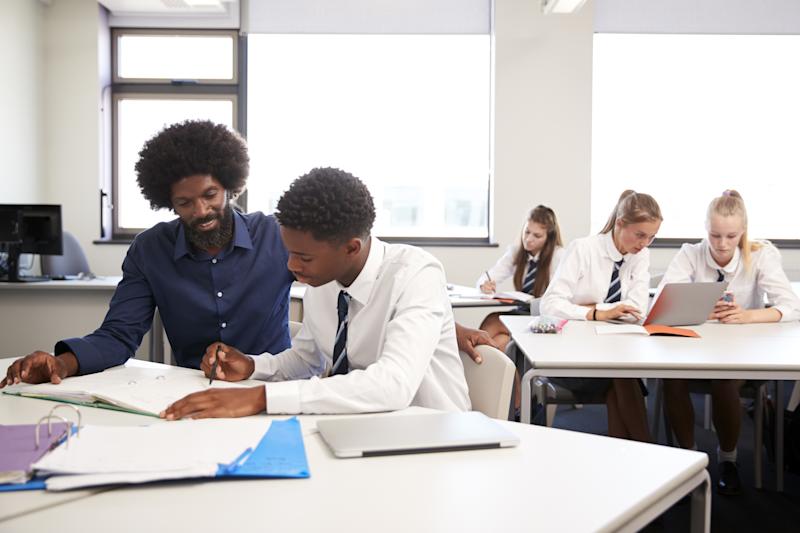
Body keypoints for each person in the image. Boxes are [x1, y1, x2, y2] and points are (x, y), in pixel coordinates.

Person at [1, 120, 296, 387]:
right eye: (184, 202)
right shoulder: (150, 249)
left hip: (275, 389)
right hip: (194, 393)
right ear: (168, 202)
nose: (201, 211)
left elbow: (333, 287)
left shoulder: (277, 236)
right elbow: (119, 335)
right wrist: (61, 364)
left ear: (230, 187)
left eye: (210, 195)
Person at [162, 167, 471, 419]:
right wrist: (254, 367)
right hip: (363, 431)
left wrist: (262, 396)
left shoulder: (416, 274)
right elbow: (306, 360)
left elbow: (392, 385)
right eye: (290, 252)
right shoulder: (324, 283)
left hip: (432, 437)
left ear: (351, 248)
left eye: (304, 257)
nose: (292, 266)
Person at [660, 189, 800, 495]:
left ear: (744, 232)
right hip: (694, 349)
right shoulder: (690, 254)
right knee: (671, 379)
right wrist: (701, 310)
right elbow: (661, 304)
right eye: (715, 235)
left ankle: (728, 461)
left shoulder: (762, 254)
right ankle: (690, 460)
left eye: (731, 236)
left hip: (739, 351)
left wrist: (749, 316)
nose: (722, 245)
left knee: (724, 380)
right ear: (705, 229)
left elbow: (791, 307)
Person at [540, 190, 662, 442]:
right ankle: (647, 452)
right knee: (622, 377)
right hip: (573, 355)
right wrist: (596, 312)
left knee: (620, 376)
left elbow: (637, 308)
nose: (644, 244)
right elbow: (550, 305)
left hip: (615, 353)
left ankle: (631, 456)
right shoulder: (583, 249)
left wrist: (599, 308)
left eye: (651, 238)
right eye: (640, 235)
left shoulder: (640, 255)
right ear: (620, 223)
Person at [476, 205, 565, 351]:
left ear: (549, 238)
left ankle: (469, 367)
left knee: (492, 322)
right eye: (527, 232)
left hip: (543, 317)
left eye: (537, 236)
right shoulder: (516, 252)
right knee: (501, 342)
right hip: (522, 313)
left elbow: (562, 297)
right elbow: (486, 277)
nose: (529, 239)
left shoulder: (559, 256)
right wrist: (484, 285)